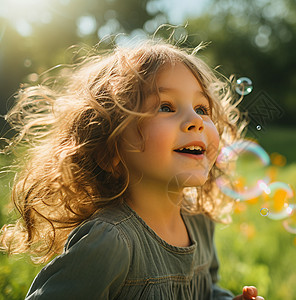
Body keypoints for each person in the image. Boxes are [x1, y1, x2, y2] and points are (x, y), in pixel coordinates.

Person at [0, 36, 264, 300]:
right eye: (165, 106)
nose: (195, 121)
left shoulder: (199, 221)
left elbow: (207, 290)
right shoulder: (110, 241)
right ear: (110, 150)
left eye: (201, 108)